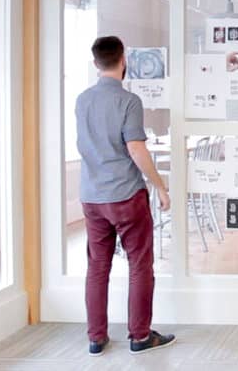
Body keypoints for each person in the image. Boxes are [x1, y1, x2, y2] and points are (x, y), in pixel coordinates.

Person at [76, 36, 175, 357]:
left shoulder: (82, 100)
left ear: (95, 64)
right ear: (124, 61)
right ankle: (140, 335)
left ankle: (96, 337)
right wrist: (159, 184)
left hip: (92, 197)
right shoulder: (128, 101)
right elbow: (135, 148)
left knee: (97, 267)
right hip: (125, 196)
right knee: (140, 265)